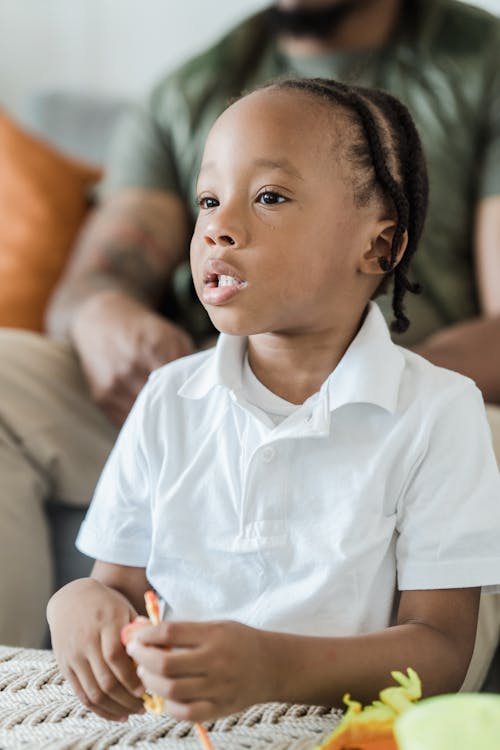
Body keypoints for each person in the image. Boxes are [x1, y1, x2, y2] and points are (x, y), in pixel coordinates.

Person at [1, 0, 499, 683]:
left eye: (269, 197)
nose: (218, 227)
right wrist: (77, 604)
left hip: (431, 382)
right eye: (208, 202)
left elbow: (440, 649)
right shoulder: (193, 86)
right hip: (193, 366)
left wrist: (356, 389)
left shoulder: (480, 61)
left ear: (382, 243)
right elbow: (111, 586)